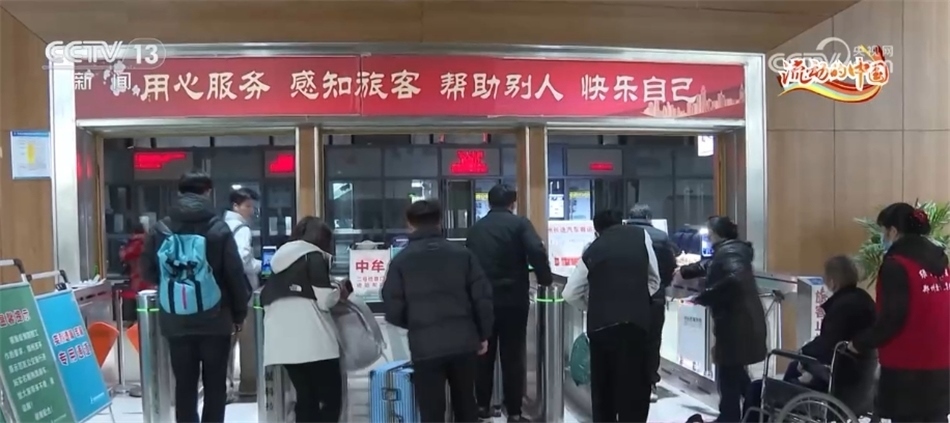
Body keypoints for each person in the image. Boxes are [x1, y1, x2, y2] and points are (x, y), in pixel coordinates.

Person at [140, 171, 250, 423]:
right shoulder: (218, 228)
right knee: (215, 384)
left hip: (176, 319)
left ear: (179, 193)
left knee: (185, 384)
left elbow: (147, 270)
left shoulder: (161, 229)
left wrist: (175, 285)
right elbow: (234, 274)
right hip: (215, 318)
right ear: (208, 192)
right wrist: (238, 314)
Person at [382, 200, 494, 423]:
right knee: (466, 404)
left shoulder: (401, 261)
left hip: (425, 346)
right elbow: (482, 298)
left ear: (409, 224)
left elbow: (392, 307)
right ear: (440, 221)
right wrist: (483, 334)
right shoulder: (463, 255)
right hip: (464, 342)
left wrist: (416, 323)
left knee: (431, 409)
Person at [848, 203, 950, 423]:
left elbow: (891, 320)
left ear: (893, 231)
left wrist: (860, 342)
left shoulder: (897, 266)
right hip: (942, 365)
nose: (883, 238)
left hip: (908, 370)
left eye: (883, 231)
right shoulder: (942, 264)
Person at [743, 255, 876, 422]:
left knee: (757, 389)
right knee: (795, 366)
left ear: (833, 282)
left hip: (835, 388)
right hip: (859, 388)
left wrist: (804, 353)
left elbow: (827, 345)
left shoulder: (842, 307)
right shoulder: (866, 301)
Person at [563, 210, 661, 422]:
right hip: (636, 325)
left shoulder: (593, 249)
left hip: (602, 328)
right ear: (622, 222)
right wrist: (637, 298)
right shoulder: (641, 236)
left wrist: (592, 306)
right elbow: (654, 279)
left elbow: (569, 293)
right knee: (635, 387)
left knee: (604, 389)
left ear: (596, 230)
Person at [465, 184, 552, 422]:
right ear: (512, 204)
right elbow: (536, 249)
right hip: (513, 300)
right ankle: (513, 411)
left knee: (483, 353)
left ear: (489, 203)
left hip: (482, 300)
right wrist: (544, 278)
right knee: (513, 356)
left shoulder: (476, 229)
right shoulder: (519, 224)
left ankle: (482, 407)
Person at [260, 216, 349, 423]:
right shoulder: (313, 256)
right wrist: (339, 290)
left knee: (306, 397)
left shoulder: (279, 260)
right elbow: (325, 300)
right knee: (331, 399)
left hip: (281, 343)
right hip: (314, 342)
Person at [678, 216, 766, 423]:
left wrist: (704, 296)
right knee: (735, 372)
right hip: (742, 322)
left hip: (736, 325)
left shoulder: (730, 252)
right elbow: (713, 265)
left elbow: (734, 279)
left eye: (709, 231)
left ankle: (729, 418)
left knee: (727, 374)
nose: (707, 235)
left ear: (717, 233)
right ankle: (756, 413)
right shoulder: (733, 250)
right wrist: (685, 270)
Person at [626, 204, 679, 402]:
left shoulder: (621, 236)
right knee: (652, 340)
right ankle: (649, 385)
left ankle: (627, 383)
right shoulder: (660, 237)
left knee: (628, 339)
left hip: (626, 296)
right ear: (649, 217)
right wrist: (662, 283)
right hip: (654, 296)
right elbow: (670, 265)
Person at [223, 187, 261, 401]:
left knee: (226, 344)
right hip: (244, 293)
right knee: (248, 342)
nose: (250, 210)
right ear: (235, 206)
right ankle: (249, 385)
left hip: (224, 294)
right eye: (247, 206)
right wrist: (260, 266)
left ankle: (225, 386)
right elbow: (243, 260)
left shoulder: (220, 226)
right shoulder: (242, 229)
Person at [119, 223, 149, 326]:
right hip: (145, 273)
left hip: (137, 274)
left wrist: (122, 250)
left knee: (136, 296)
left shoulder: (137, 242)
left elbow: (126, 255)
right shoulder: (147, 240)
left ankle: (135, 321)